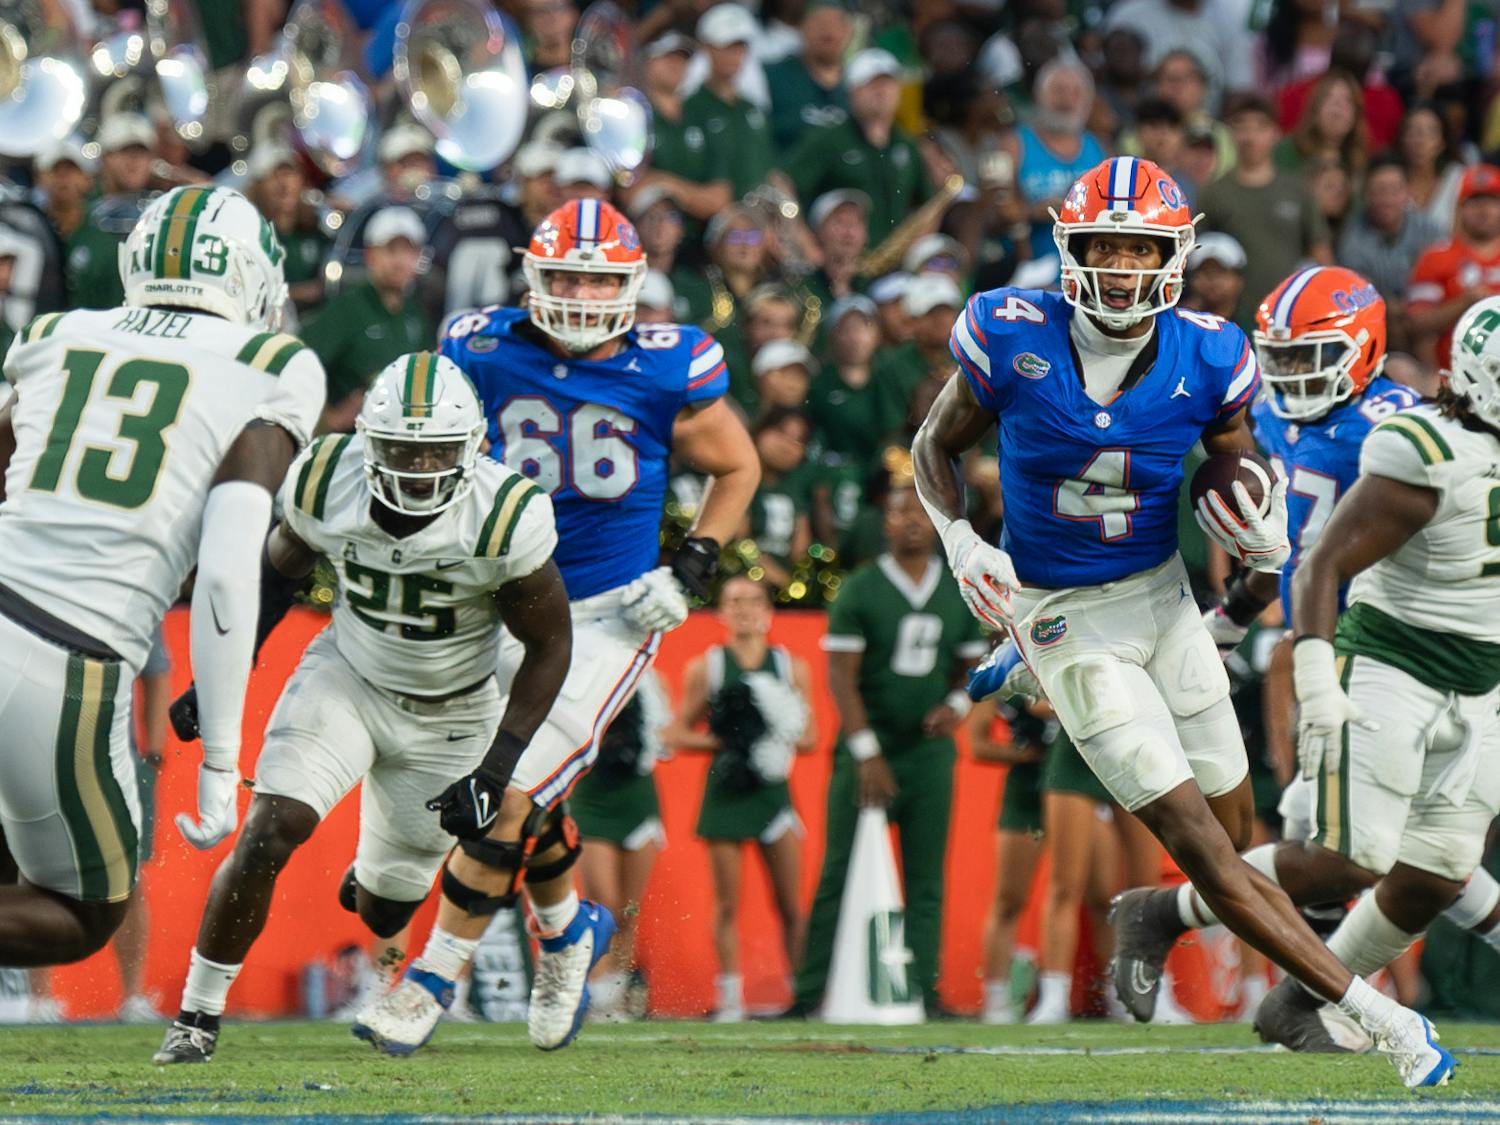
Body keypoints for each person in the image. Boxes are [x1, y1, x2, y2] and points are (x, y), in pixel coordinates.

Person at [911, 156, 1453, 1087]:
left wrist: (1260, 525)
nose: (1121, 268)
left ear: (1172, 256)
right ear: (1072, 250)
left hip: (1163, 601)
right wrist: (960, 539)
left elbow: (1237, 463)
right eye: (1104, 247)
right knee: (1202, 844)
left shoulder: (1211, 353)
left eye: (1139, 249)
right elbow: (934, 443)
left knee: (1237, 835)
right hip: (1064, 618)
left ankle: (1150, 913)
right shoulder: (1008, 330)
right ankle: (1379, 1015)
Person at [357, 198, 760, 1055]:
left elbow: (738, 465)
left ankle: (430, 979)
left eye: (597, 280)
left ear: (631, 285)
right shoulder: (481, 347)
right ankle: (569, 930)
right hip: (500, 601)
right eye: (566, 277)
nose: (580, 295)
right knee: (520, 797)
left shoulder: (667, 365)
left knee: (504, 791)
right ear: (533, 277)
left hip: (607, 616)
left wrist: (691, 563)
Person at [151, 353, 569, 1063]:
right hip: (348, 675)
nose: (418, 467)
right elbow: (277, 574)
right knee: (270, 828)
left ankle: (376, 873)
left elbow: (550, 646)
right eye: (402, 448)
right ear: (368, 441)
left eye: (437, 451)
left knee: (384, 909)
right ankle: (196, 1015)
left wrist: (495, 769)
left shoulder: (504, 514)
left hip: (452, 709)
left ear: (472, 447)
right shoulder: (325, 478)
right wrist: (223, 671)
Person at [0, 185, 324, 967]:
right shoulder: (271, 363)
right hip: (67, 652)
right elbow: (226, 572)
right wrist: (220, 755)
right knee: (83, 910)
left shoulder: (56, 332)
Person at [793, 484, 988, 1018]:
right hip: (867, 749)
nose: (912, 522)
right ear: (885, 522)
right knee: (837, 871)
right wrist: (866, 752)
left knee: (926, 878)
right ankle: (809, 993)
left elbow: (974, 665)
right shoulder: (861, 588)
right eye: (901, 511)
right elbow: (840, 677)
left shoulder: (956, 588)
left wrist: (957, 704)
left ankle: (925, 992)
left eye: (921, 513)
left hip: (928, 754)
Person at [669, 576, 815, 1021]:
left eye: (753, 600)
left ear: (768, 610)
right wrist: (729, 742)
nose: (744, 609)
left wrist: (770, 736)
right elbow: (676, 733)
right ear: (721, 611)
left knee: (790, 903)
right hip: (726, 791)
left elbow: (810, 737)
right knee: (727, 902)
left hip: (772, 792)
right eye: (734, 601)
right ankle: (731, 997)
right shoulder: (707, 667)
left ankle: (802, 994)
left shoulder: (791, 667)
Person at [570, 671, 671, 1022]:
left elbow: (668, 736)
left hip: (638, 798)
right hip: (592, 797)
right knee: (603, 903)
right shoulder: (584, 673)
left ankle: (615, 993)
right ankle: (594, 987)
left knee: (628, 908)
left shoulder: (650, 678)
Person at [1200, 94, 1333, 332]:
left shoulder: (1297, 189)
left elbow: (1320, 251)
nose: (1250, 137)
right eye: (1241, 126)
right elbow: (1195, 257)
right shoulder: (1214, 193)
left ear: (1275, 134)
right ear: (1230, 134)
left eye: (1260, 127)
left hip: (1289, 317)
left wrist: (1329, 300)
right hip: (1229, 319)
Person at [302, 207, 436, 434]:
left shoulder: (416, 314)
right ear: (370, 255)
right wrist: (328, 419)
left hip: (402, 440)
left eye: (408, 251)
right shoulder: (347, 308)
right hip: (352, 442)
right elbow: (301, 362)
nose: (400, 261)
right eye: (391, 250)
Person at [785, 49, 934, 244]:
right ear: (852, 91)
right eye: (872, 85)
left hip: (893, 258)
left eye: (889, 83)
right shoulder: (831, 139)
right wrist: (806, 243)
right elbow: (782, 183)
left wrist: (914, 243)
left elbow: (928, 205)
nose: (882, 92)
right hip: (839, 257)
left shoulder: (906, 144)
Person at [1407, 164, 1500, 372]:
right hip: (1450, 377)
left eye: (1492, 201)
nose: (1484, 210)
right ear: (1459, 208)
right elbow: (1415, 324)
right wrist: (1465, 303)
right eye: (1474, 201)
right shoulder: (1435, 257)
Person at [763, 0, 851, 153]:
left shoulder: (859, 83)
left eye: (836, 23)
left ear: (848, 32)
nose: (828, 30)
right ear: (802, 27)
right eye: (820, 23)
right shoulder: (773, 76)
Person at [1182, 233, 1247, 322]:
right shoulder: (1175, 320)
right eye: (1204, 271)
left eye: (1221, 271)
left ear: (1239, 280)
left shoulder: (1250, 328)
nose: (1212, 280)